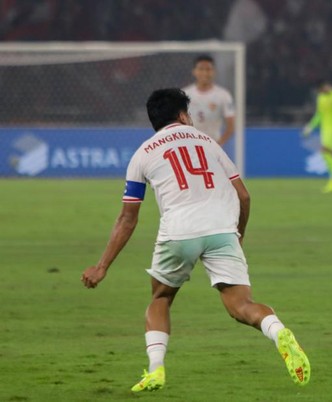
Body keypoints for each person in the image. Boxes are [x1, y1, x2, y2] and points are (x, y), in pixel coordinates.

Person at [81, 88, 310, 392]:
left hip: (179, 230)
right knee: (242, 306)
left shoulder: (143, 153)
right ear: (182, 115)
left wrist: (102, 266)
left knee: (161, 298)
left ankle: (156, 369)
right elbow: (243, 194)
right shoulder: (208, 141)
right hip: (221, 229)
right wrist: (237, 236)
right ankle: (277, 330)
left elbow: (128, 218)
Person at [183, 55, 236, 146]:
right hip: (189, 145)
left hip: (212, 145)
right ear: (194, 71)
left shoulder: (223, 95)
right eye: (201, 69)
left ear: (214, 72)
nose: (204, 73)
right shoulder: (184, 94)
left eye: (208, 69)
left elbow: (231, 126)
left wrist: (219, 144)